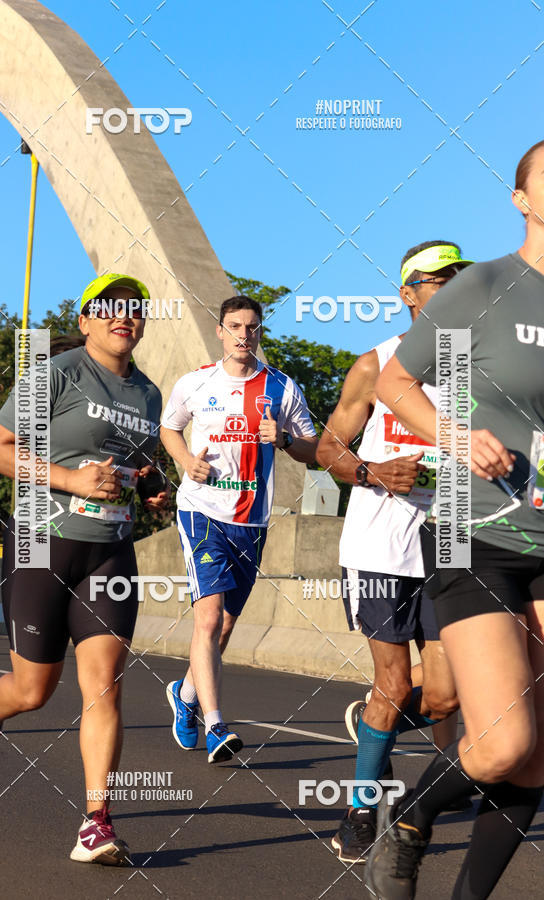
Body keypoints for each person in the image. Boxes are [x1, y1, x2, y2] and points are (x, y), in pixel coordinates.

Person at [365, 141, 544, 899]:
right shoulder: (487, 287)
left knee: (537, 757)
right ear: (521, 199)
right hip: (481, 534)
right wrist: (454, 433)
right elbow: (395, 381)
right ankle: (408, 814)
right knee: (504, 741)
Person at [0, 273, 167, 866]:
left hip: (108, 549)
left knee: (105, 684)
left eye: (133, 309)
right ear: (84, 321)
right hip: (40, 543)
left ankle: (96, 823)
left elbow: (134, 465)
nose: (122, 317)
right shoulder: (55, 374)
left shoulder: (149, 396)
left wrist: (148, 486)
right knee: (33, 690)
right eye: (108, 309)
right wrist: (70, 478)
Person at [316, 241, 473, 863]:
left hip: (454, 540)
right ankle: (361, 806)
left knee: (447, 694)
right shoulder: (373, 364)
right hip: (381, 544)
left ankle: (379, 726)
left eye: (459, 277)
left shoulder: (475, 366)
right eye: (438, 280)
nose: (452, 287)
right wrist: (373, 471)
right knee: (392, 679)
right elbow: (328, 449)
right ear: (408, 294)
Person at [160, 295, 318, 763]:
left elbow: (314, 449)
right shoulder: (194, 381)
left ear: (259, 332)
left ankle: (185, 695)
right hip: (201, 511)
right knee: (207, 620)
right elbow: (169, 429)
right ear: (219, 331)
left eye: (251, 327)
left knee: (224, 628)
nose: (243, 335)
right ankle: (215, 726)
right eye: (234, 326)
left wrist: (286, 440)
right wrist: (186, 460)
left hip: (252, 520)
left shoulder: (283, 388)